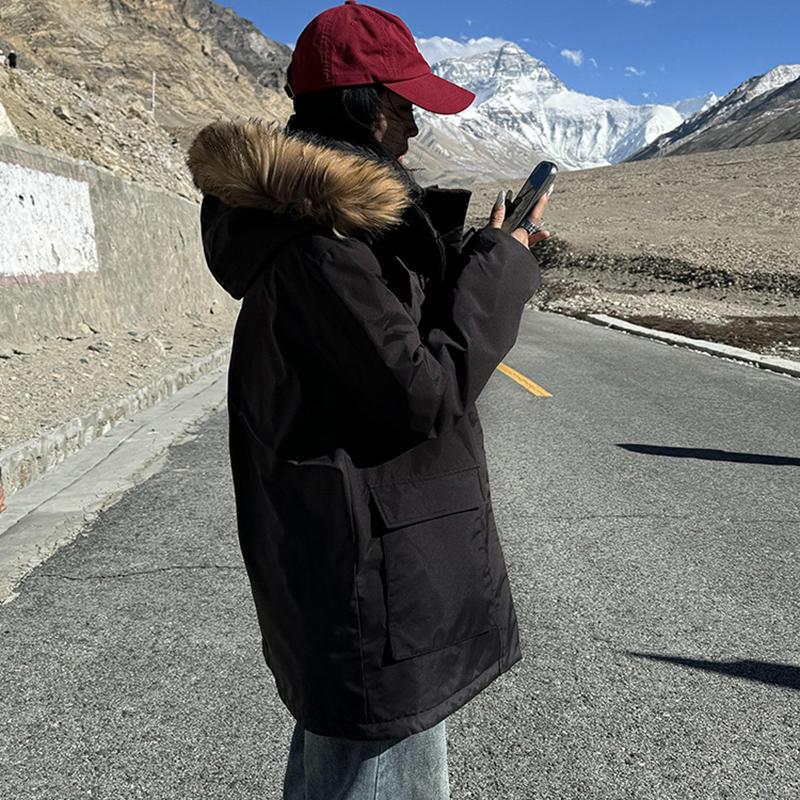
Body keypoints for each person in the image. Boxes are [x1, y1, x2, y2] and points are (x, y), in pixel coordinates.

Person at [187, 1, 551, 797]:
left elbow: (386, 347)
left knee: (345, 760)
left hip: (371, 560)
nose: (415, 127)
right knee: (375, 763)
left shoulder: (321, 236)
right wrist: (499, 270)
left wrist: (468, 255)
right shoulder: (321, 248)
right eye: (402, 106)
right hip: (375, 575)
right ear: (361, 108)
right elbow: (420, 394)